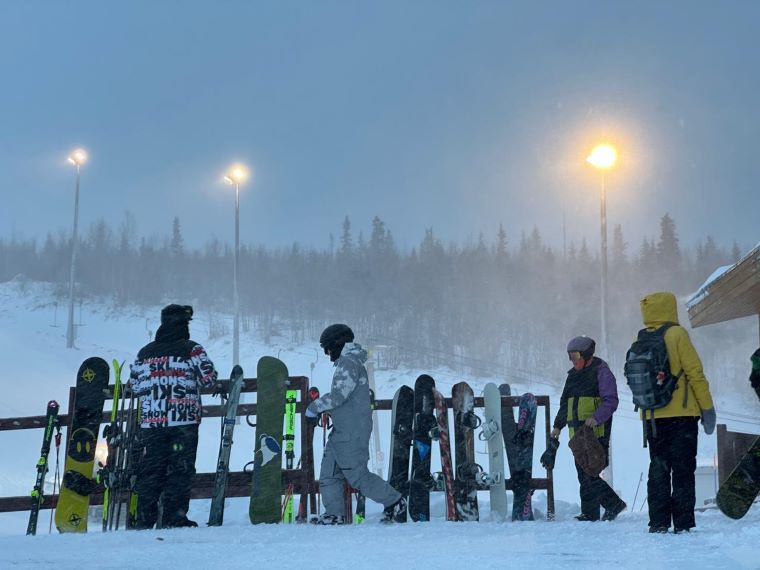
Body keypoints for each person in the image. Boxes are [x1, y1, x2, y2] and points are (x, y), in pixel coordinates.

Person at [128, 304, 221, 529]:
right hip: (183, 421)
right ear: (184, 325)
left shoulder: (144, 352)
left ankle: (144, 518)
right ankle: (174, 516)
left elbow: (135, 386)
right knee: (181, 469)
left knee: (152, 469)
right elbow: (208, 378)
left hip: (152, 421)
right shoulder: (192, 349)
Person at [306, 324, 406, 524]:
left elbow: (338, 395)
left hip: (352, 432)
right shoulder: (347, 362)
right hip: (343, 430)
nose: (326, 353)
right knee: (330, 473)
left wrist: (314, 408)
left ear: (336, 344)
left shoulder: (349, 363)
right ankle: (334, 513)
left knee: (357, 476)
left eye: (327, 348)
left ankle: (395, 502)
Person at [636, 291, 715, 534]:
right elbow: (695, 373)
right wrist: (707, 408)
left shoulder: (641, 336)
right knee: (682, 469)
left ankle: (658, 522)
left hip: (651, 416)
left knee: (658, 468)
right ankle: (682, 522)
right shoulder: (678, 334)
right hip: (681, 416)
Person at [550, 335, 626, 522]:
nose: (572, 360)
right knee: (582, 471)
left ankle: (612, 505)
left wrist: (596, 418)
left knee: (589, 472)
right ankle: (590, 513)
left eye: (575, 356)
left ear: (587, 355)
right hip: (577, 434)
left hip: (595, 432)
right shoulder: (572, 377)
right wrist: (557, 426)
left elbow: (611, 401)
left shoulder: (602, 372)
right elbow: (564, 404)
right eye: (570, 356)